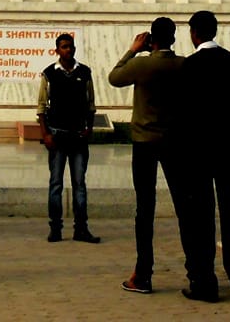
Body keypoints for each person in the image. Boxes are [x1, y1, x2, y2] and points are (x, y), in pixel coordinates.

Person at [173, 9, 230, 302]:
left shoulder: (189, 66)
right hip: (227, 150)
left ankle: (205, 282)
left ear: (194, 33)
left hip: (197, 154)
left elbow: (182, 115)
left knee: (201, 219)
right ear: (215, 31)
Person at [108, 16, 184, 293]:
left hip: (144, 142)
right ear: (173, 38)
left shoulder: (141, 65)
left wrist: (132, 50)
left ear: (151, 39)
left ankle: (143, 274)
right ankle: (196, 271)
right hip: (175, 143)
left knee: (145, 209)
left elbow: (114, 77)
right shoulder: (183, 65)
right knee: (184, 206)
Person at [37, 33, 100, 244]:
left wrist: (89, 128)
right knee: (55, 183)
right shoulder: (49, 74)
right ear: (57, 50)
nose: (68, 50)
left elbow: (91, 103)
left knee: (79, 183)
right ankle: (55, 228)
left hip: (78, 137)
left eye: (71, 46)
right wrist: (45, 134)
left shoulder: (84, 72)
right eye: (64, 47)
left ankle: (81, 228)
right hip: (57, 136)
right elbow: (41, 108)